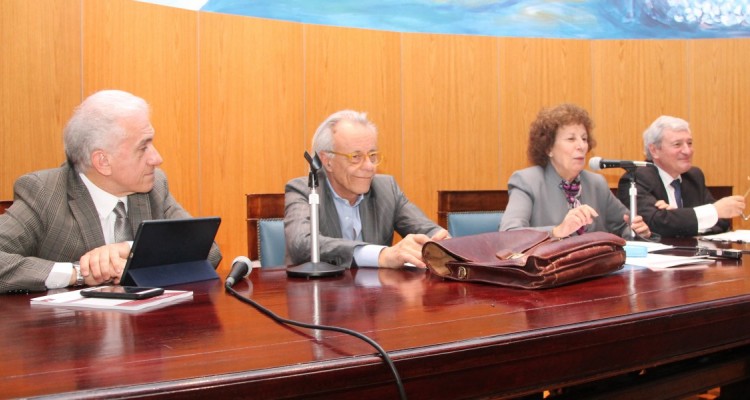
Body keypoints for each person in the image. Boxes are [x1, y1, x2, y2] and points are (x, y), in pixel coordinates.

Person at [0, 90, 222, 293]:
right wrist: (80, 273)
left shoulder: (154, 186)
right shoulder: (45, 193)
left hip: (144, 331)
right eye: (143, 147)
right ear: (103, 161)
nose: (157, 158)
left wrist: (129, 249)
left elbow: (207, 252)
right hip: (71, 331)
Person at [284, 110, 449, 268]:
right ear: (327, 161)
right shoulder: (303, 191)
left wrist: (443, 244)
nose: (369, 167)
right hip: (320, 293)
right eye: (355, 157)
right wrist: (380, 255)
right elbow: (301, 245)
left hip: (375, 294)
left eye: (372, 155)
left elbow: (427, 231)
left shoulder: (386, 189)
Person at [500, 103, 652, 239]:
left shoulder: (596, 183)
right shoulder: (527, 181)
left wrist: (637, 231)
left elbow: (623, 225)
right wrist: (557, 231)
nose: (581, 146)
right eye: (571, 139)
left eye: (584, 139)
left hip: (594, 267)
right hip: (549, 268)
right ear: (548, 148)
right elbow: (509, 235)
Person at [616, 115, 745, 237]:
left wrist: (677, 217)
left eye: (689, 143)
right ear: (654, 150)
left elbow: (722, 221)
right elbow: (655, 224)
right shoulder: (635, 179)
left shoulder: (694, 176)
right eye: (677, 144)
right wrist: (711, 212)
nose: (687, 151)